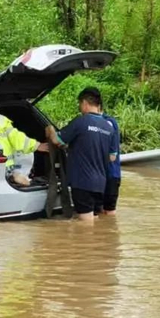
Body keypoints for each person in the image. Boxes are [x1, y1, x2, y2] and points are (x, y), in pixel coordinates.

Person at [46, 87, 117, 223]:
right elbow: (111, 156)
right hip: (101, 184)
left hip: (83, 182)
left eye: (80, 104)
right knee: (94, 218)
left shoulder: (81, 122)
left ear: (84, 103)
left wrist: (50, 129)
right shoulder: (109, 127)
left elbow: (56, 140)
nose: (80, 107)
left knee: (85, 224)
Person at [0, 111, 48, 186]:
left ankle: (14, 177)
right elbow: (16, 138)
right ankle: (16, 176)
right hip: (5, 164)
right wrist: (36, 145)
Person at [102, 110, 121, 215]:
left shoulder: (108, 122)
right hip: (103, 175)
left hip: (110, 174)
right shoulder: (106, 122)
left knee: (109, 211)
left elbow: (112, 156)